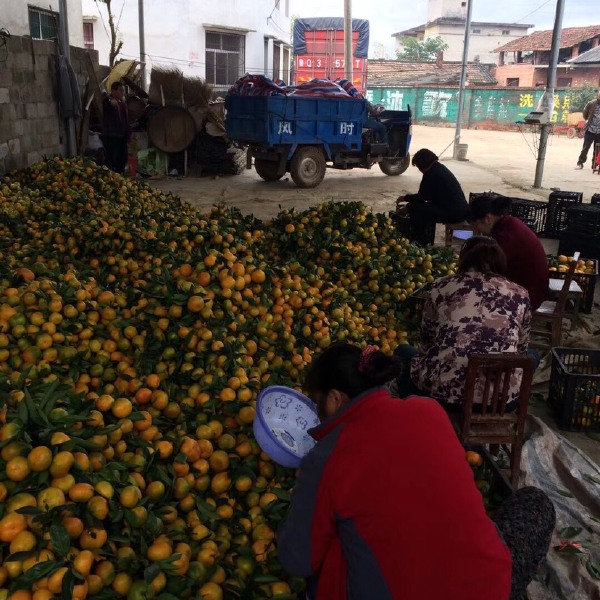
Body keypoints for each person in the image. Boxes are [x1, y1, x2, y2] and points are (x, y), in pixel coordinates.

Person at [277, 343, 555, 600]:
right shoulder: (429, 411)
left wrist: (301, 500)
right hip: (490, 590)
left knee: (336, 544)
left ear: (335, 398)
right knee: (536, 502)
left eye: (317, 402)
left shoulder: (325, 458)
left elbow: (297, 560)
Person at [395, 236, 534, 407]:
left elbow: (427, 339)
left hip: (442, 397)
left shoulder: (441, 287)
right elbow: (522, 347)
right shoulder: (520, 293)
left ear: (464, 259)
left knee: (403, 352)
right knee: (532, 356)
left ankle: (418, 413)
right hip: (499, 401)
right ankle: (504, 415)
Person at [467, 193, 549, 310]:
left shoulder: (507, 236)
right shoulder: (509, 223)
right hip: (527, 288)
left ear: (487, 219)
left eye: (476, 225)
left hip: (528, 296)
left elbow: (490, 268)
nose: (477, 230)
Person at [396, 148, 469, 245]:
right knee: (420, 207)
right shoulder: (437, 168)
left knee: (414, 208)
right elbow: (426, 195)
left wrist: (405, 198)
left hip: (454, 212)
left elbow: (421, 197)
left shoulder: (432, 174)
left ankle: (422, 241)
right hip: (457, 209)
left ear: (422, 165)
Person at [101, 81, 130, 174]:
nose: (123, 93)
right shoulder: (109, 102)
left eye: (123, 91)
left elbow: (125, 120)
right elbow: (103, 99)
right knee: (111, 157)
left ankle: (119, 175)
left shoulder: (122, 103)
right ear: (113, 91)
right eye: (121, 90)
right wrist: (109, 99)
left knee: (123, 157)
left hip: (122, 135)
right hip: (112, 135)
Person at [576, 90, 600, 169]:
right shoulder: (591, 103)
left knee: (597, 150)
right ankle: (580, 163)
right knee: (585, 148)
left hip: (599, 132)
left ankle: (595, 165)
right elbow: (585, 114)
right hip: (590, 130)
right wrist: (588, 121)